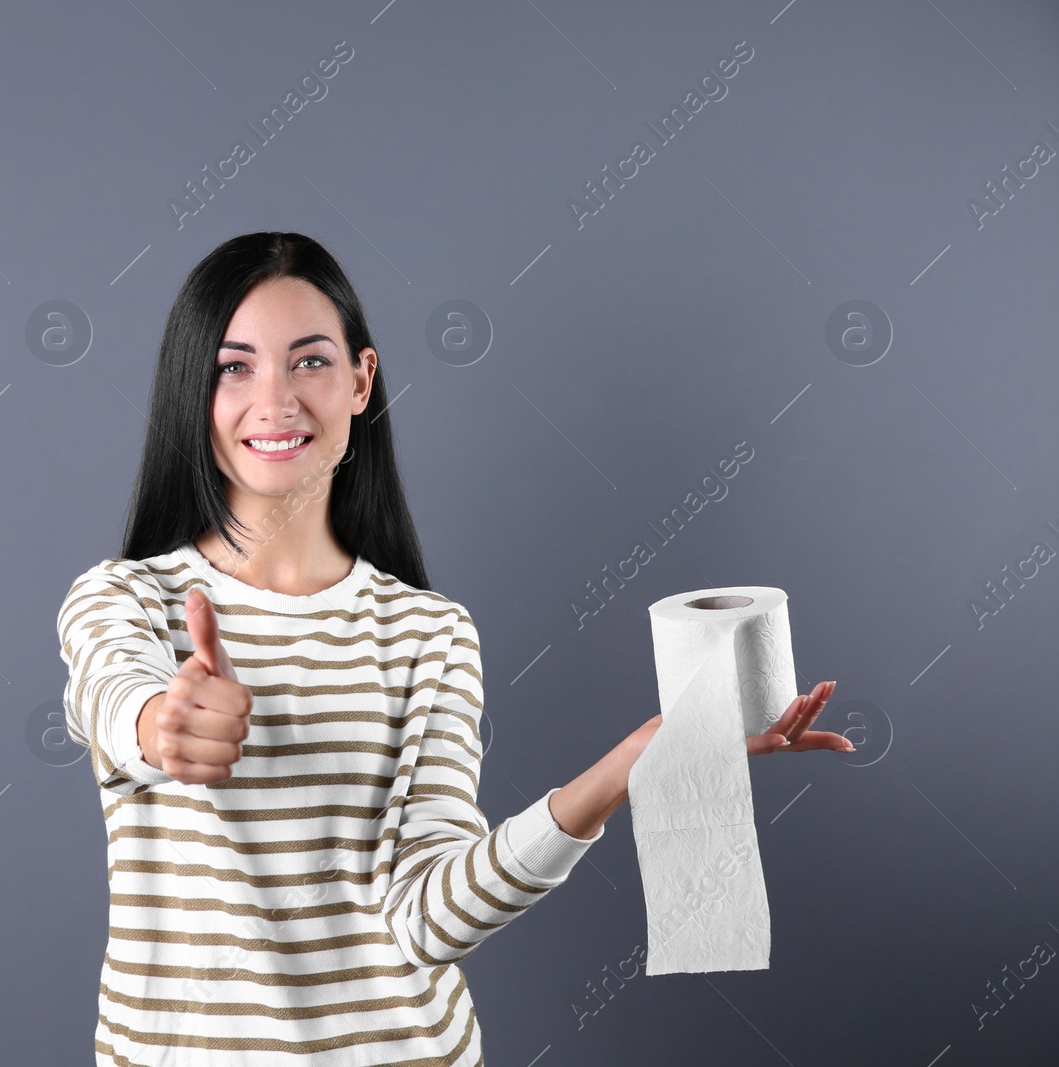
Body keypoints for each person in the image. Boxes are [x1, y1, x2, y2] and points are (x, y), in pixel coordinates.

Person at [56, 231, 850, 1066]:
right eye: (234, 366)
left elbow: (426, 918)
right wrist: (161, 725)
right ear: (194, 390)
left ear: (362, 380)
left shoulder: (429, 633)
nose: (276, 399)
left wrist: (626, 767)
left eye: (310, 361)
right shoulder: (126, 600)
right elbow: (112, 696)